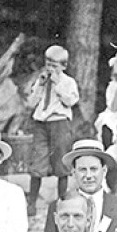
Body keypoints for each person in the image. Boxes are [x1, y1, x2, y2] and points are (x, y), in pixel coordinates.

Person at [43, 139, 117, 232]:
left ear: (104, 171)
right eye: (82, 170)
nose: (88, 176)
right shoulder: (59, 206)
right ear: (73, 172)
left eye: (93, 169)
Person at [26, 45, 80, 216]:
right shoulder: (41, 80)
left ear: (63, 66)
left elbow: (71, 101)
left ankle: (62, 201)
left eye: (55, 66)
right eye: (48, 64)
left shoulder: (68, 82)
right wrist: (41, 85)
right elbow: (31, 102)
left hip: (59, 122)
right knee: (38, 159)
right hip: (41, 122)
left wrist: (58, 85)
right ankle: (32, 203)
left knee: (61, 160)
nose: (50, 69)